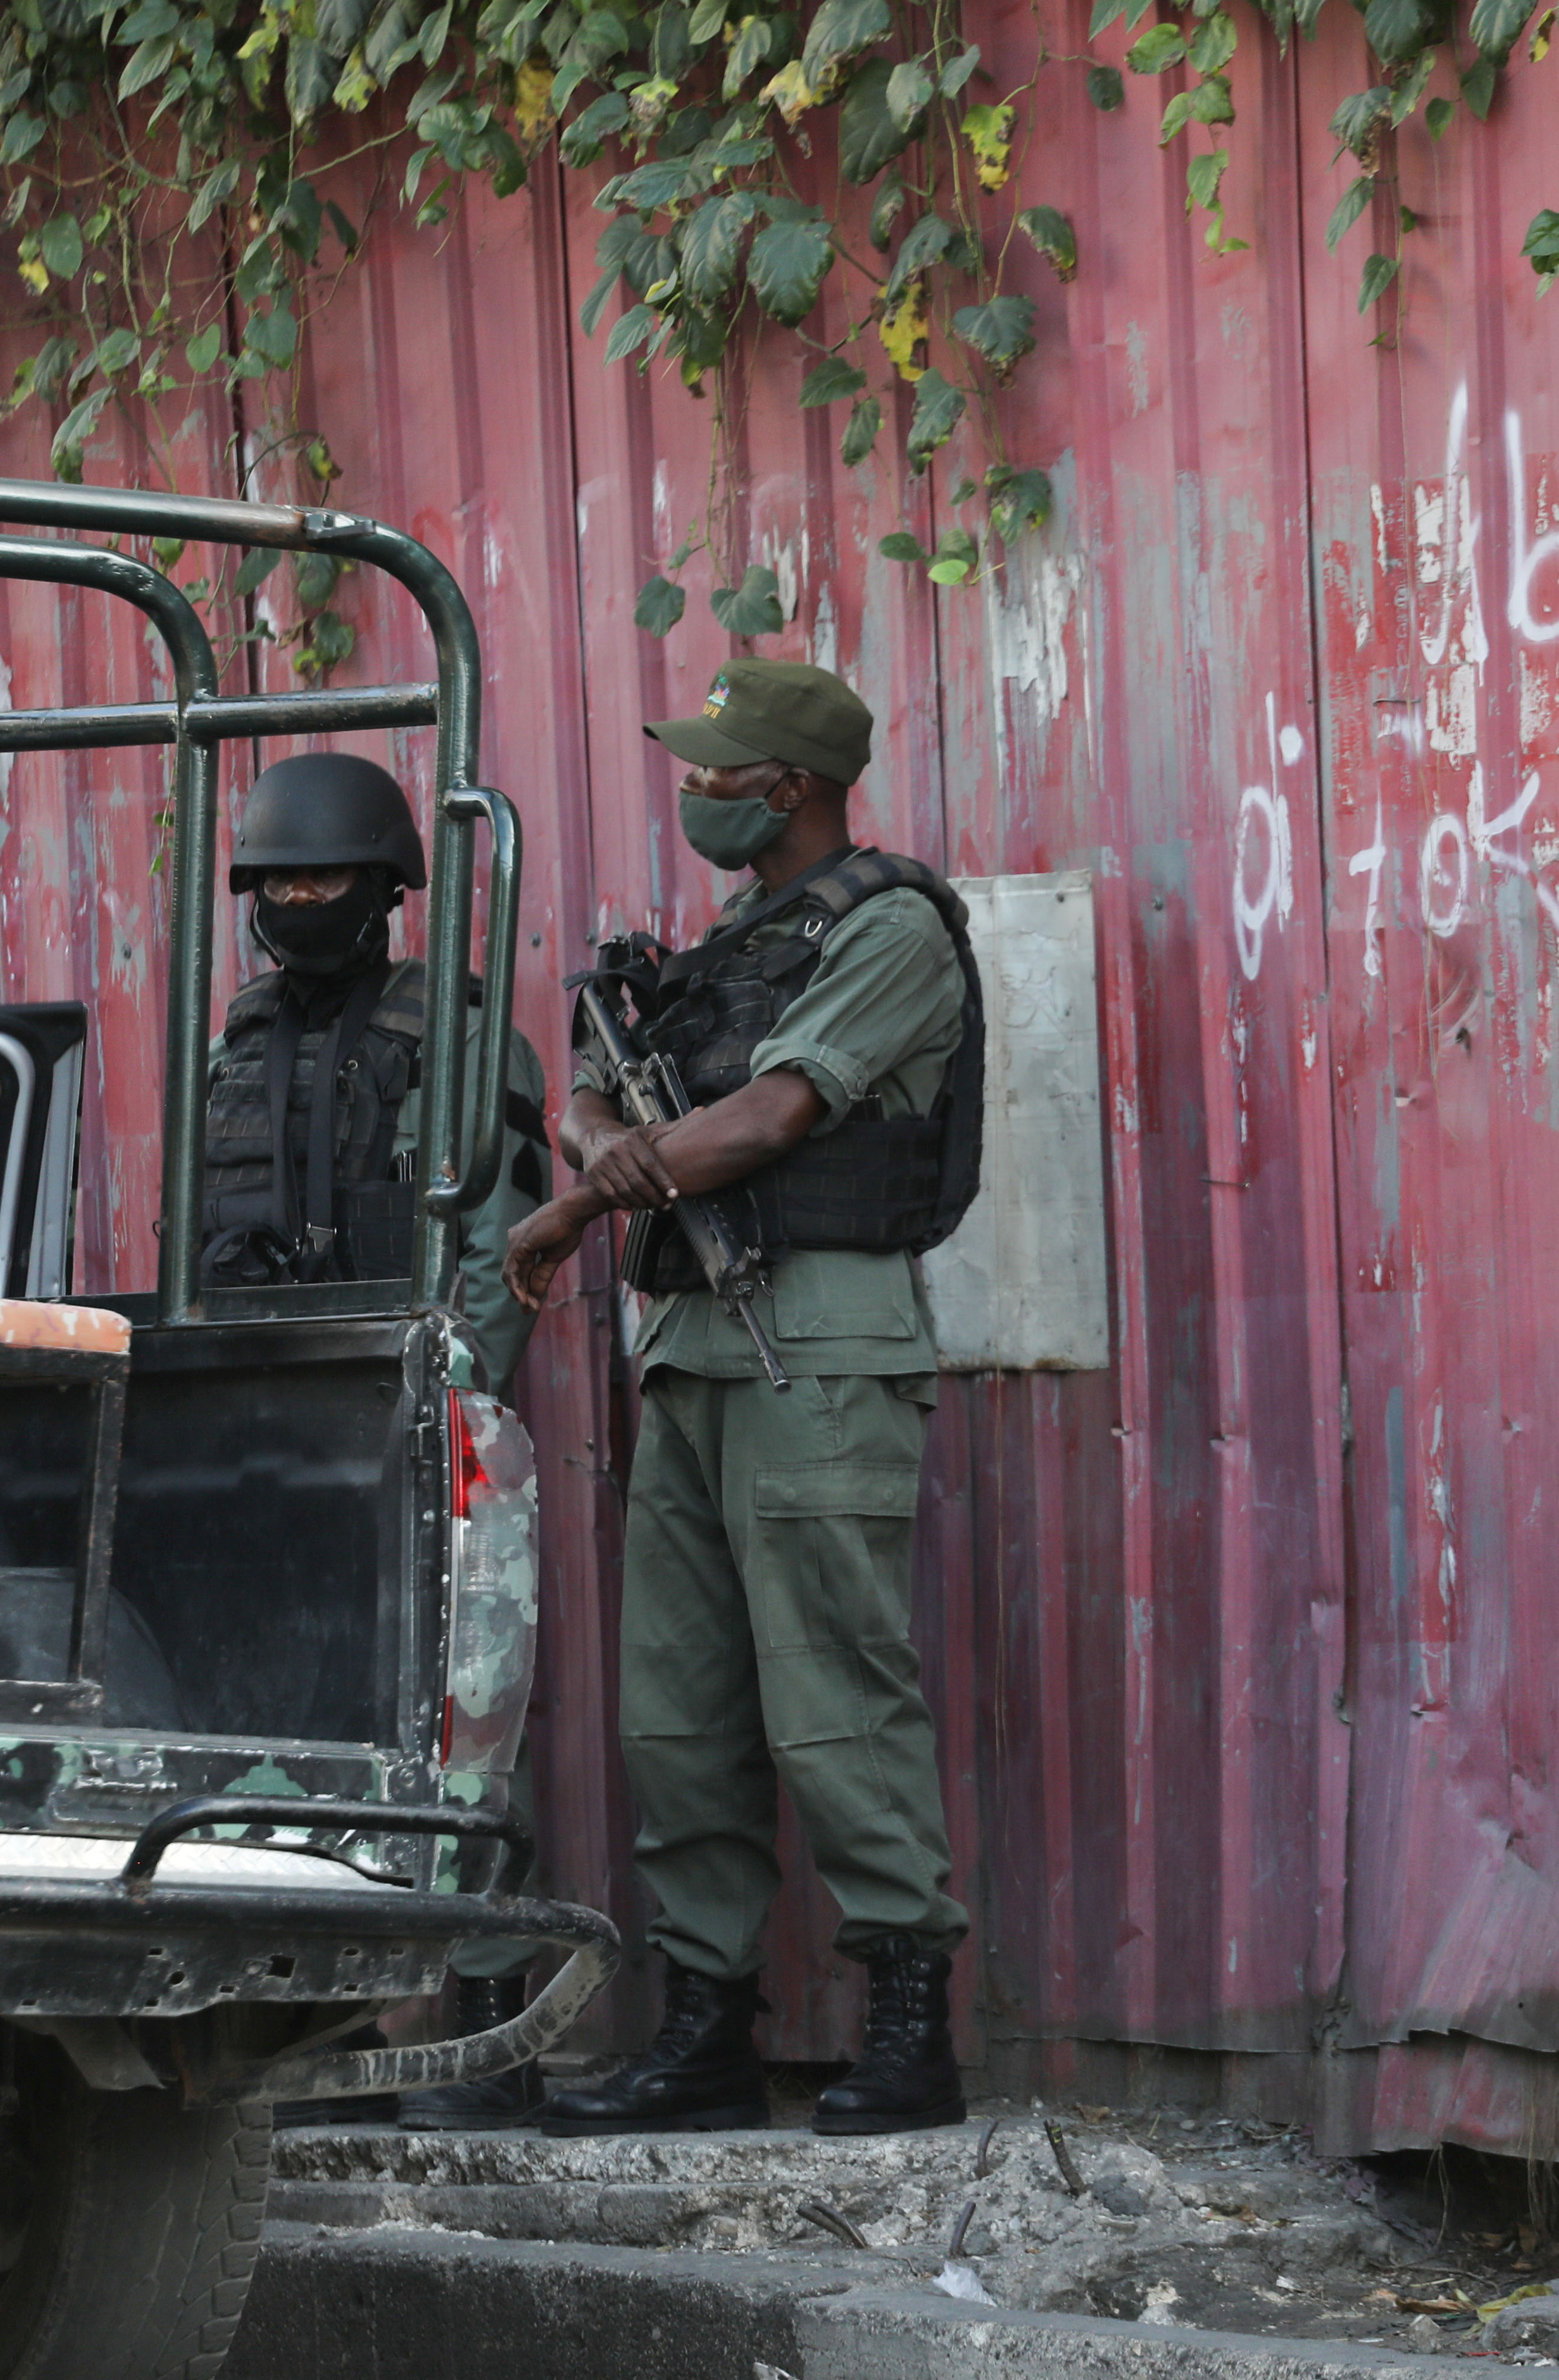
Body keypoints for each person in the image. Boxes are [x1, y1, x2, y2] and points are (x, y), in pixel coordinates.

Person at [505, 657, 983, 2138]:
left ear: (792, 786)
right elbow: (588, 1096)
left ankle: (910, 2025)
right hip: (696, 1351)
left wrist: (580, 1206)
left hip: (818, 1352)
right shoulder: (730, 949)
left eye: (722, 772)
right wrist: (601, 1142)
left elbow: (774, 1116)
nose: (699, 789)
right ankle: (707, 2025)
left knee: (836, 1694)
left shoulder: (893, 932)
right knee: (679, 1712)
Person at [203, 751, 557, 2127]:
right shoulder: (238, 1037)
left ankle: (490, 2027)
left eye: (325, 876)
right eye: (279, 877)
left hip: (419, 1419)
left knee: (453, 1725)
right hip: (269, 1422)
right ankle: (318, 2031)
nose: (299, 896)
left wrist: (445, 1398)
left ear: (386, 889)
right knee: (288, 1723)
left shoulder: (465, 1038)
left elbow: (505, 1250)